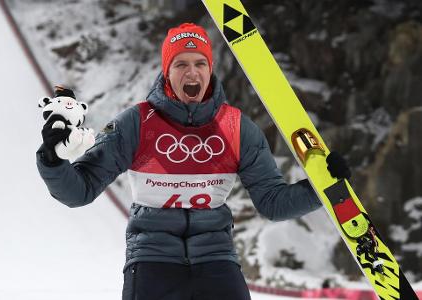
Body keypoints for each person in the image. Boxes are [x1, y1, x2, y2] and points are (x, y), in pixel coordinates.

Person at [37, 23, 350, 300]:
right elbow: (79, 191)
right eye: (181, 64)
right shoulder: (137, 123)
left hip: (216, 259)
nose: (192, 72)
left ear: (210, 70)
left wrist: (319, 187)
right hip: (151, 259)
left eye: (200, 63)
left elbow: (274, 203)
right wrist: (53, 159)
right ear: (167, 72)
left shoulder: (237, 128)